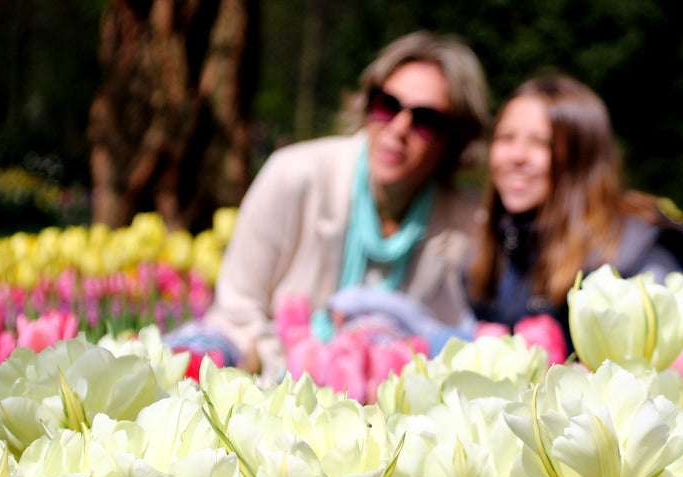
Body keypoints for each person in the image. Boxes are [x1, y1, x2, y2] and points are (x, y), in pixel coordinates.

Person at [199, 31, 491, 380]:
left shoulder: (467, 223)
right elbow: (236, 311)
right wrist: (309, 379)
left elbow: (454, 343)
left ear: (454, 139)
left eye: (426, 121)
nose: (399, 128)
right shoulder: (294, 176)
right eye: (387, 105)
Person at [464, 75, 683, 370]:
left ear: (583, 158)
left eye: (541, 143)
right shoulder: (492, 249)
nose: (516, 156)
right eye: (505, 138)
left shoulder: (636, 257)